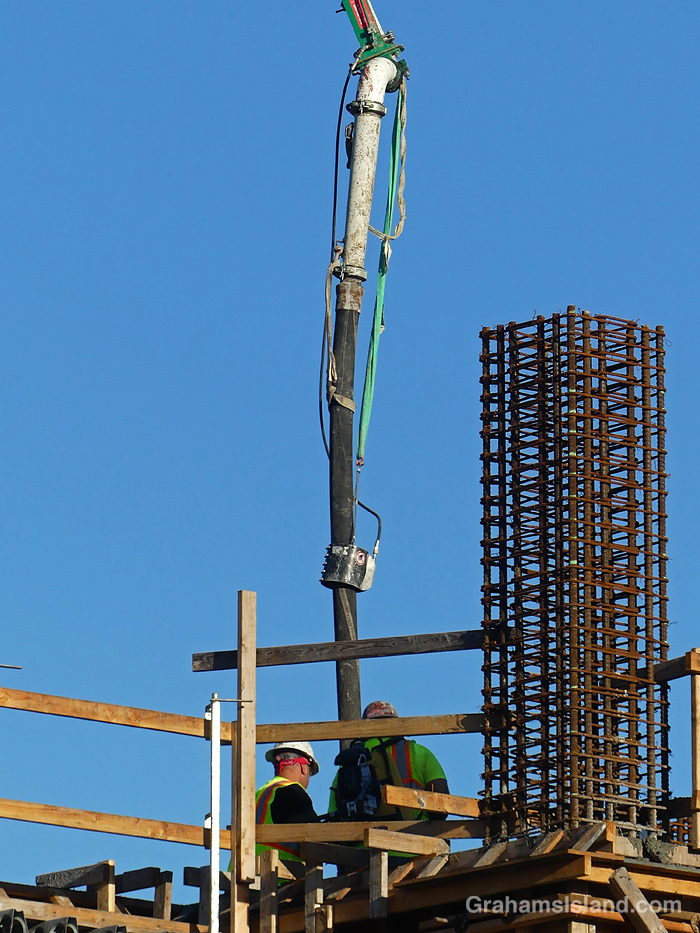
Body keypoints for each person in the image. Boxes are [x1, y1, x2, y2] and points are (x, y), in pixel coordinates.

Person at [329, 700, 450, 822]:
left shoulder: (349, 761)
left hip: (362, 839)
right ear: (396, 724)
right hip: (412, 835)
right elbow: (442, 807)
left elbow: (334, 811)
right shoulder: (418, 753)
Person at [255, 740, 320, 867]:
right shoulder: (292, 792)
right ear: (304, 768)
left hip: (245, 879)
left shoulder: (259, 794)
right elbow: (318, 837)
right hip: (277, 880)